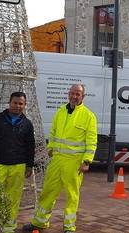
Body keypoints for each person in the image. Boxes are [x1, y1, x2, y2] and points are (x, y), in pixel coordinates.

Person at [23, 84, 97, 233]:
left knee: (72, 195)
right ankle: (39, 223)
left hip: (74, 162)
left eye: (78, 94)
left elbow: (91, 140)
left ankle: (69, 227)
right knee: (48, 191)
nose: (75, 96)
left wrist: (87, 161)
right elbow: (54, 132)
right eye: (72, 93)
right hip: (57, 160)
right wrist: (50, 148)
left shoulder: (88, 116)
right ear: (68, 94)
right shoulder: (60, 111)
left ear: (83, 97)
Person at [0, 92, 36, 233]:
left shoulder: (27, 124)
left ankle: (9, 227)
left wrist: (29, 165)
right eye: (15, 103)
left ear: (24, 105)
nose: (17, 106)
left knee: (13, 199)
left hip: (18, 165)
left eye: (21, 104)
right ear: (9, 103)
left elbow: (30, 146)